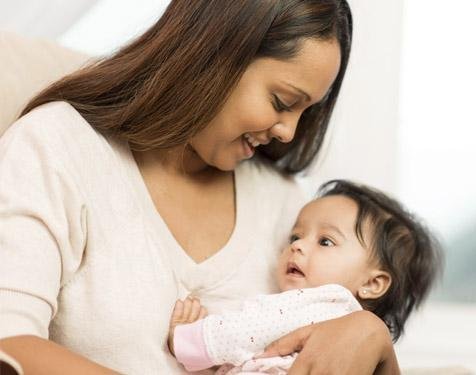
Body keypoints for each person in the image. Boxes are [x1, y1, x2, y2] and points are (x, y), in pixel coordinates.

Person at [0, 1, 406, 374]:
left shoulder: (283, 205)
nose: (288, 132)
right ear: (213, 57)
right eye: (282, 102)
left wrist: (372, 334)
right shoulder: (57, 147)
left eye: (306, 111)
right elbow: (8, 342)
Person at [166, 180, 442, 374]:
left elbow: (246, 331)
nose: (297, 246)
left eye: (325, 241)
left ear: (372, 284)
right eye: (296, 236)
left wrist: (190, 340)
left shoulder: (324, 303)